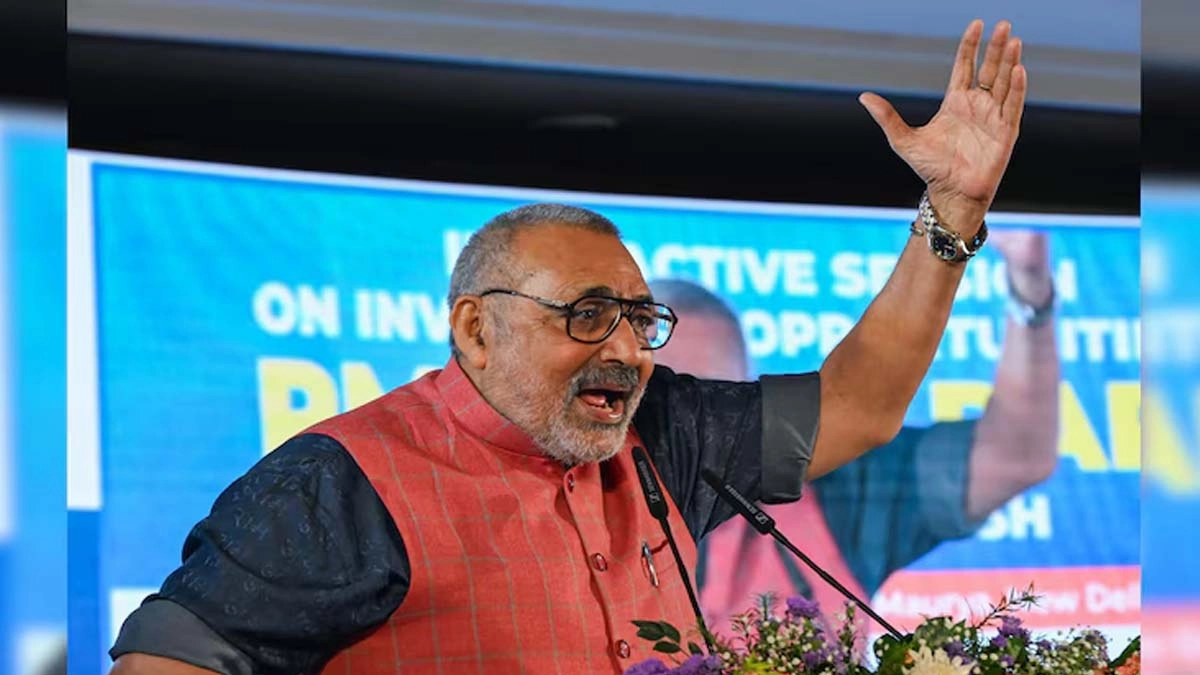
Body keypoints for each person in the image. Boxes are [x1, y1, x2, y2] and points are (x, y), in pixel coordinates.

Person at [109, 19, 1027, 675]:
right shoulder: (340, 483)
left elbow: (860, 404)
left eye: (638, 317)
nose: (626, 349)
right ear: (476, 328)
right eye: (586, 314)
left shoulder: (664, 433)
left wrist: (952, 214)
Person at [649, 229, 1059, 639]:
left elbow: (1015, 458)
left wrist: (1030, 297)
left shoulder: (833, 484)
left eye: (717, 401)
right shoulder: (608, 508)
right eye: (669, 403)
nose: (696, 428)